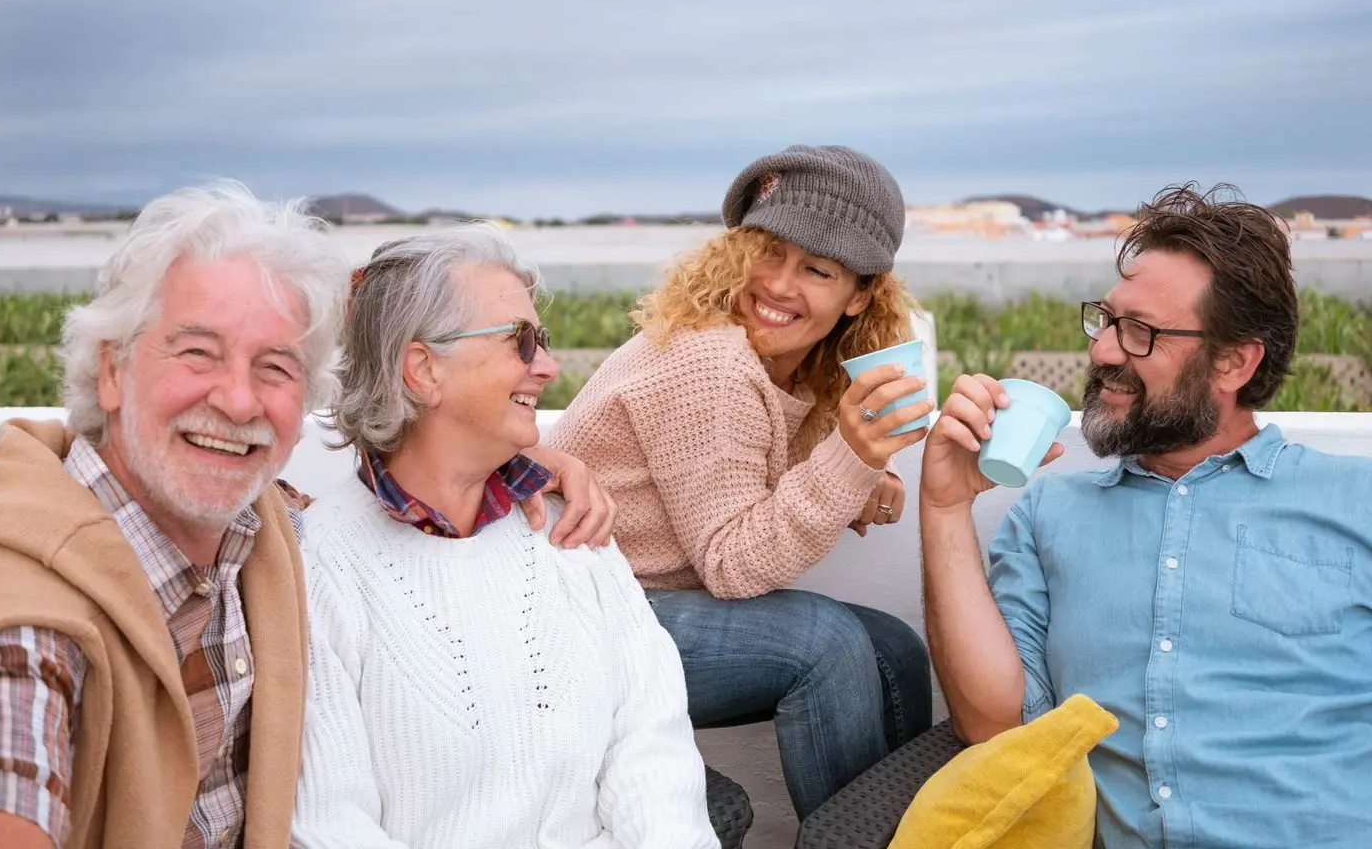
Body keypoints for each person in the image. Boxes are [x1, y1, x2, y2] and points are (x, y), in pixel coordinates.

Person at [0, 185, 616, 849]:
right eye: (197, 353)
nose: (239, 399)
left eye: (276, 368)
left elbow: (403, 493)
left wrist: (520, 452)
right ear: (111, 371)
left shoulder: (260, 529)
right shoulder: (22, 616)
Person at [919, 184, 1372, 848]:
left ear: (1234, 361)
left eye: (1140, 333)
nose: (1103, 351)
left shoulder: (1354, 501)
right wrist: (945, 505)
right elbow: (993, 725)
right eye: (1105, 320)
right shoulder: (1049, 513)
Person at [290, 228, 719, 849]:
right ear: (424, 369)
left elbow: (654, 753)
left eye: (539, 340)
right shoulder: (320, 568)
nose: (545, 365)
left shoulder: (570, 530)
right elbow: (327, 825)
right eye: (520, 341)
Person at [546, 144, 935, 819]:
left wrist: (863, 471)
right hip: (575, 623)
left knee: (892, 648)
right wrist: (848, 460)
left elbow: (766, 471)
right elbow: (731, 563)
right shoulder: (713, 362)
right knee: (827, 645)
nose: (780, 285)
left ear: (859, 296)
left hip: (640, 600)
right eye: (769, 251)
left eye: (817, 269)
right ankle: (848, 839)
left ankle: (909, 832)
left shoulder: (797, 366)